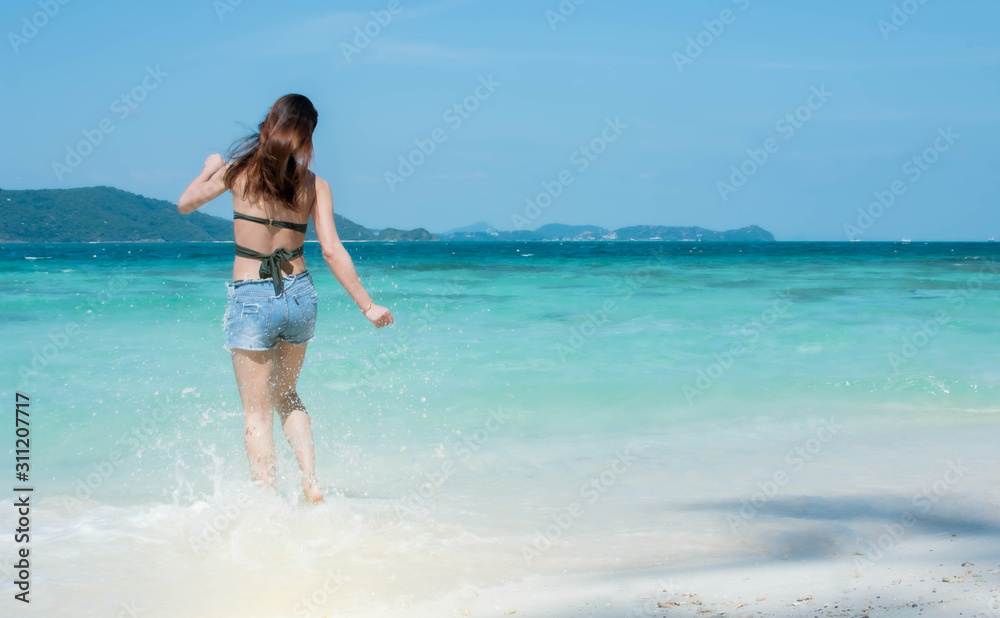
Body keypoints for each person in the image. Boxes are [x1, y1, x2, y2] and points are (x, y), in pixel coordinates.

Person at [177, 93, 394, 503]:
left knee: (256, 414)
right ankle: (311, 483)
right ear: (307, 136)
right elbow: (331, 249)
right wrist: (368, 305)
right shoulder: (315, 184)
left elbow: (186, 204)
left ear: (270, 123)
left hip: (251, 298)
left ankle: (266, 505)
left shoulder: (237, 172)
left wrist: (210, 169)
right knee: (288, 395)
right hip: (299, 296)